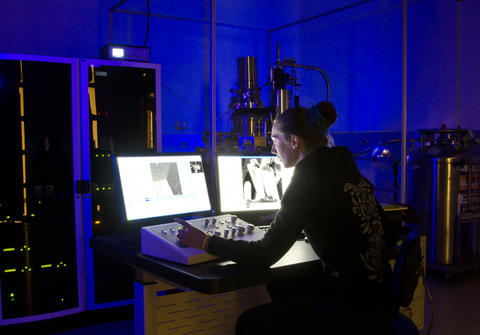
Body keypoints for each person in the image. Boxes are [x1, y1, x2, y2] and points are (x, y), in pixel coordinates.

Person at [176, 102, 394, 334]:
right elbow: (374, 228)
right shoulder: (344, 167)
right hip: (381, 297)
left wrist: (206, 241)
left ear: (294, 141)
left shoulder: (307, 178)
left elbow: (265, 254)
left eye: (274, 139)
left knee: (250, 323)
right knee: (282, 284)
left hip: (353, 305)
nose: (272, 149)